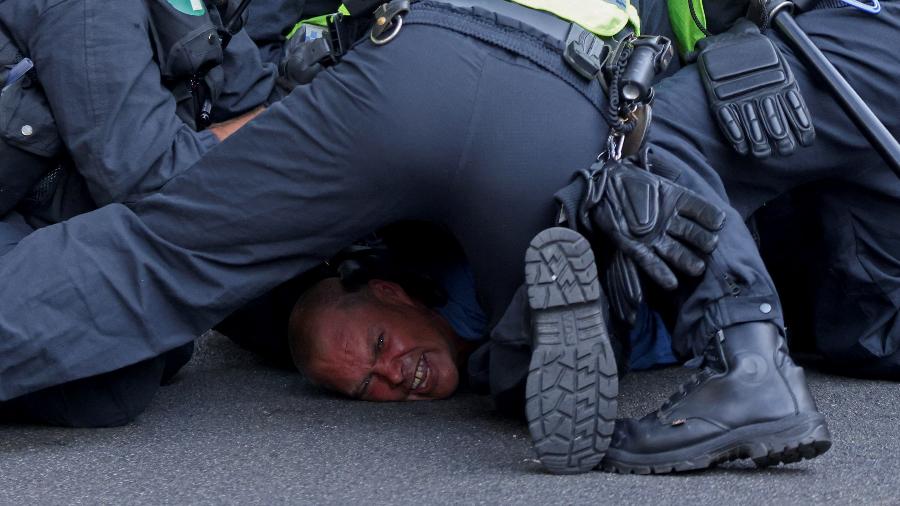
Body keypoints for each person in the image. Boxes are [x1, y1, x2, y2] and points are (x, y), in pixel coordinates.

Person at [0, 0, 875, 474]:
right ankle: (540, 344)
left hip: (410, 67)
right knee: (565, 291)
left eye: (375, 350)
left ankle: (550, 332)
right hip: (566, 89)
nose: (387, 377)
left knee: (160, 260)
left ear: (385, 288)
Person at [0, 0, 277, 427]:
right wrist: (287, 126)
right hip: (29, 210)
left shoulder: (208, 7)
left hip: (50, 213)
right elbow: (150, 178)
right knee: (113, 380)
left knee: (138, 347)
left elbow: (253, 98)